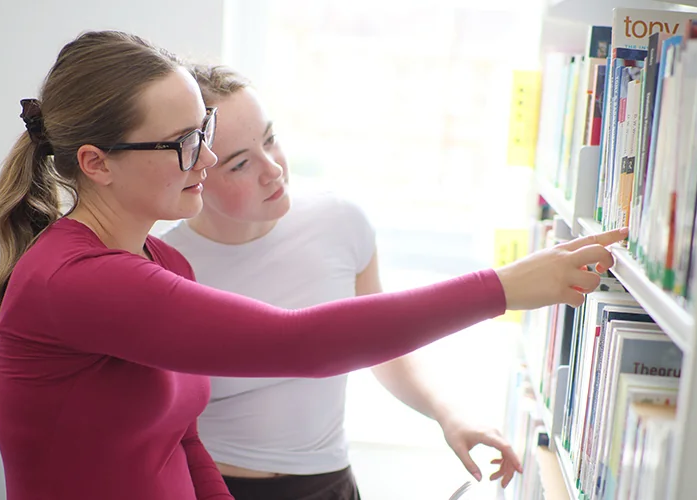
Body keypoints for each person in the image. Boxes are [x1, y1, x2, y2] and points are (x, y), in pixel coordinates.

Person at [0, 30, 625, 500]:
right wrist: (502, 288)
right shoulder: (77, 283)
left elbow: (182, 438)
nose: (203, 160)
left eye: (202, 133)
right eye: (182, 145)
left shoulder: (160, 258)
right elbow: (299, 342)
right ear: (96, 163)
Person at [159, 63, 525, 500]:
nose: (272, 169)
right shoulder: (164, 266)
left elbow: (384, 347)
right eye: (240, 164)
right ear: (195, 173)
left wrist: (451, 416)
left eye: (271, 140)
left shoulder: (340, 223)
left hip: (329, 484)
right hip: (213, 487)